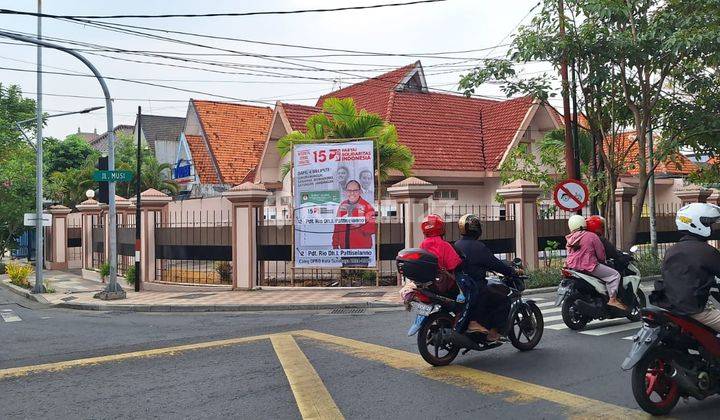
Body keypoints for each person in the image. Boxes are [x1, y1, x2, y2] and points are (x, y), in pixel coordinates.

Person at [653, 203, 720, 332]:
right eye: (709, 224)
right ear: (697, 224)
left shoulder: (671, 250)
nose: (712, 228)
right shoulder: (707, 251)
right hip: (693, 310)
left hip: (670, 306)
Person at [454, 214, 518, 341]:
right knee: (503, 300)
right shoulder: (478, 247)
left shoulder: (457, 244)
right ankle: (493, 333)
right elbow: (495, 264)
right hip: (475, 286)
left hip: (460, 286)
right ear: (476, 229)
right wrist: (511, 271)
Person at [565, 215, 627, 310]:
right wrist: (602, 261)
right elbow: (601, 255)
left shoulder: (570, 238)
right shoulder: (592, 236)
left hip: (573, 267)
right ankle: (613, 299)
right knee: (615, 275)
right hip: (589, 267)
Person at [331, 180, 376, 265]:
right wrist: (335, 245)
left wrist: (360, 225)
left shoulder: (367, 206)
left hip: (361, 252)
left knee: (360, 277)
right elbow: (337, 227)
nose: (352, 193)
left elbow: (373, 228)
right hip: (344, 251)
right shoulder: (342, 206)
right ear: (345, 192)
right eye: (349, 190)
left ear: (360, 191)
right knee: (346, 277)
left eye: (355, 190)